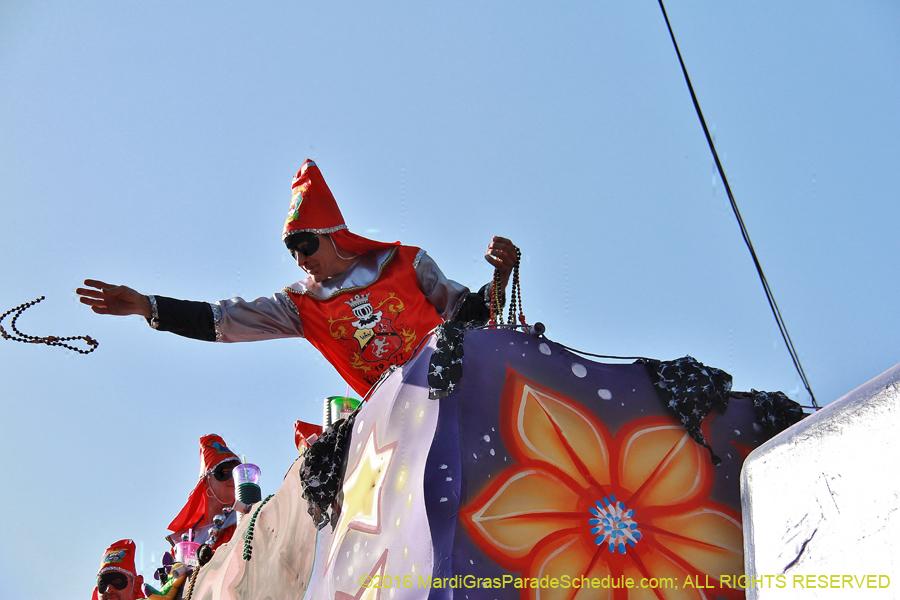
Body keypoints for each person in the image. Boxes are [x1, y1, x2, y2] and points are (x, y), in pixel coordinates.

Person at [77, 159, 516, 396]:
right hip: (397, 416)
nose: (301, 259)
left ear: (333, 236)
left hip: (459, 387)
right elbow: (223, 320)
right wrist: (148, 307)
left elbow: (466, 313)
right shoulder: (300, 305)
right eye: (292, 251)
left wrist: (501, 277)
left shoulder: (406, 263)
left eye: (307, 245)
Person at [165, 433, 240, 550]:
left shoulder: (244, 519)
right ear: (206, 480)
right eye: (224, 473)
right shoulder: (185, 538)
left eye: (236, 475)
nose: (232, 480)